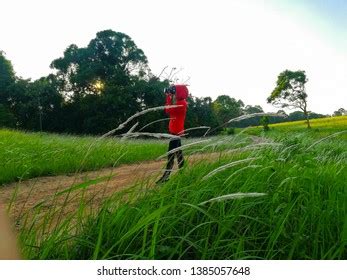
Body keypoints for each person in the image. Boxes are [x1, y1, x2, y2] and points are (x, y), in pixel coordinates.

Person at [156, 84, 189, 184]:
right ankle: (183, 173)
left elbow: (167, 109)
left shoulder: (182, 104)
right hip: (175, 132)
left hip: (176, 133)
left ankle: (166, 177)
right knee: (179, 154)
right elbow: (170, 108)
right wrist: (170, 96)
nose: (173, 93)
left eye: (175, 91)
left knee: (171, 155)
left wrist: (167, 96)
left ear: (180, 92)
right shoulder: (180, 102)